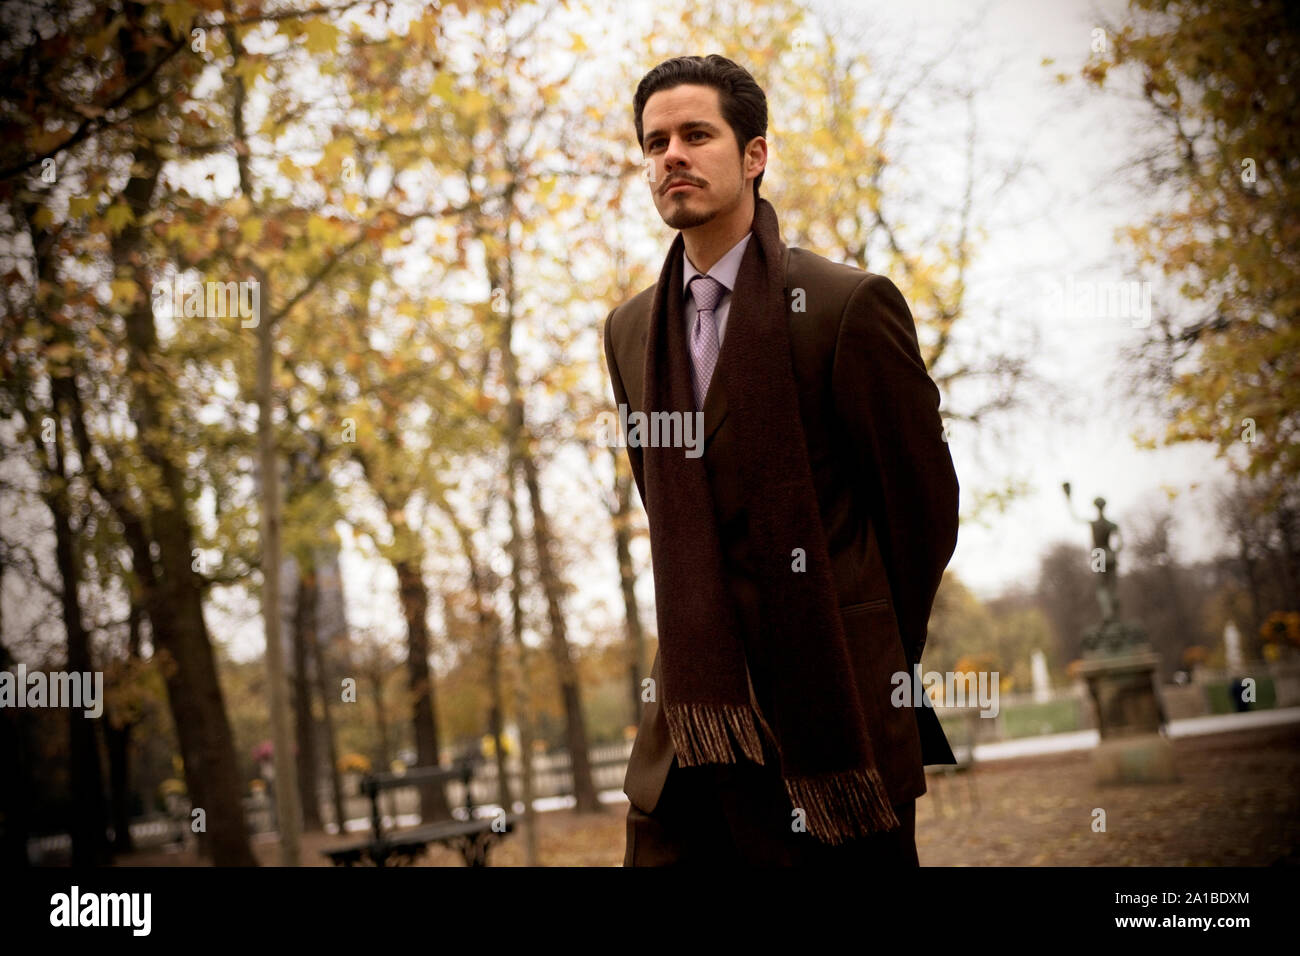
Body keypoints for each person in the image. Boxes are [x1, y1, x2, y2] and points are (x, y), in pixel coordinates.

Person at [603, 55, 961, 866]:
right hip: (690, 735)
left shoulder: (843, 305)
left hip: (831, 729)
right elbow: (672, 505)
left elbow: (922, 510)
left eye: (697, 135)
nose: (672, 157)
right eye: (655, 143)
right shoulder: (630, 332)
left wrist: (862, 643)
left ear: (755, 155)